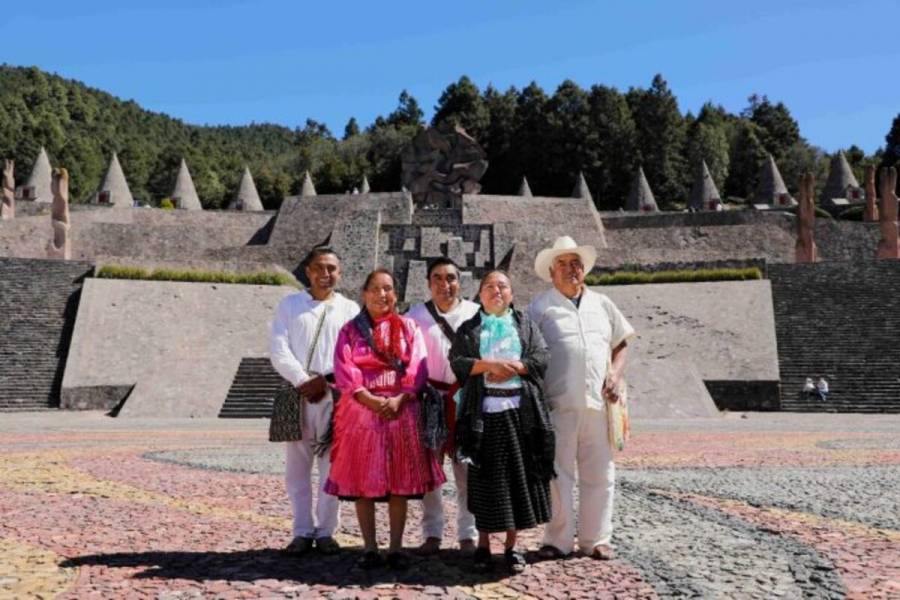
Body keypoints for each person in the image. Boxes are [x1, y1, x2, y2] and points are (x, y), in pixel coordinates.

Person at [324, 269, 445, 570]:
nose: (382, 295)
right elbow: (344, 369)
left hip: (401, 409)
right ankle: (369, 547)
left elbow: (417, 366)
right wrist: (370, 399)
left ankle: (394, 547)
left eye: (388, 288)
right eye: (376, 289)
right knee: (363, 481)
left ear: (396, 294)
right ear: (364, 294)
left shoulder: (409, 327)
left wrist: (400, 398)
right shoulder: (349, 331)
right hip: (361, 411)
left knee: (398, 483)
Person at [527, 236, 635, 561]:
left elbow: (623, 342)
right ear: (551, 270)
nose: (572, 269)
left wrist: (615, 373)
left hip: (599, 403)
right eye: (564, 263)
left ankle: (596, 538)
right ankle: (558, 539)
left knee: (600, 474)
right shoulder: (539, 308)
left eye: (576, 264)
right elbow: (526, 350)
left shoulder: (602, 303)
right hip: (557, 404)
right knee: (557, 475)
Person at [450, 270, 555, 574]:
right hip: (483, 415)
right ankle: (483, 544)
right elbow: (457, 361)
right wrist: (490, 365)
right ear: (480, 294)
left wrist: (517, 367)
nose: (496, 291)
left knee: (517, 480)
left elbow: (542, 357)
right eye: (490, 286)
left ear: (511, 292)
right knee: (484, 481)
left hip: (521, 413)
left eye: (503, 286)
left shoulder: (525, 325)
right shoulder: (469, 328)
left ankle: (511, 546)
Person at [269, 247, 360, 556]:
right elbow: (279, 349)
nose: (326, 274)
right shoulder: (289, 305)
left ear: (340, 272)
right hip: (297, 394)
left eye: (332, 268)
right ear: (307, 271)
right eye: (319, 268)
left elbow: (356, 354)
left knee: (332, 468)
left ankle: (325, 531)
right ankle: (301, 530)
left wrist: (326, 379)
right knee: (297, 468)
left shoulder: (350, 309)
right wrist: (303, 380)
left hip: (335, 396)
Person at [407, 258, 480, 555]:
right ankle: (432, 533)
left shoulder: (476, 314)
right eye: (437, 278)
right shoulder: (414, 316)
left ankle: (468, 534)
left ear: (459, 282)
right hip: (431, 400)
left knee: (466, 471)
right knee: (430, 471)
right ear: (428, 283)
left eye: (450, 278)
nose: (444, 284)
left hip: (464, 398)